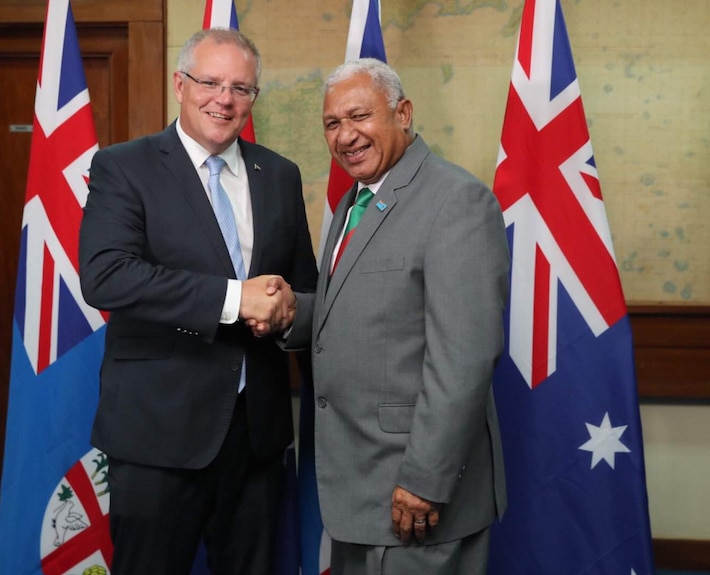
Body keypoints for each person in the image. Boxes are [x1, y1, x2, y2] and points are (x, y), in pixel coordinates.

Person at [78, 28, 317, 574]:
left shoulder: (279, 174)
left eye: (241, 88)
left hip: (256, 434)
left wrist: (283, 315)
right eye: (210, 82)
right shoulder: (124, 167)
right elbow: (107, 276)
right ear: (179, 85)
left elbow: (302, 289)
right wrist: (237, 300)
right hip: (158, 431)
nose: (224, 99)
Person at [282, 58, 510, 574]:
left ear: (403, 114)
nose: (345, 136)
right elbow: (365, 309)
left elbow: (464, 358)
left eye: (359, 116)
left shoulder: (457, 202)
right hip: (356, 486)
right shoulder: (356, 201)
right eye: (332, 124)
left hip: (413, 491)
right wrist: (290, 313)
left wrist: (426, 477)